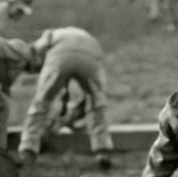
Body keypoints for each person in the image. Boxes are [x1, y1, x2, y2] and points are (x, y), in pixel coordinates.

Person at [17, 26, 114, 169]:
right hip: (91, 54)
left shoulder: (48, 34)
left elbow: (35, 52)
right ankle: (102, 149)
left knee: (42, 101)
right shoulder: (80, 34)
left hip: (61, 53)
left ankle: (28, 148)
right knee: (97, 102)